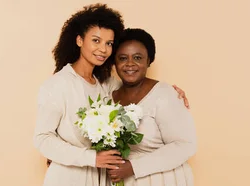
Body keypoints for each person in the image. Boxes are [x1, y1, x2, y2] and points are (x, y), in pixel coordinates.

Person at [34, 4, 189, 186]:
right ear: (79, 40)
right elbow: (42, 138)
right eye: (96, 40)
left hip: (102, 177)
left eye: (109, 43)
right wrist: (91, 158)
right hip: (69, 176)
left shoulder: (107, 83)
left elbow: (137, 91)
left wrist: (169, 92)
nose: (103, 49)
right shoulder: (58, 85)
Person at [106, 28, 197, 186]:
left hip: (164, 179)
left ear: (149, 61)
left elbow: (185, 145)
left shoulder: (165, 95)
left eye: (138, 58)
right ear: (114, 62)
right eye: (122, 58)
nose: (130, 64)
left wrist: (134, 167)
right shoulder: (109, 97)